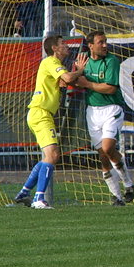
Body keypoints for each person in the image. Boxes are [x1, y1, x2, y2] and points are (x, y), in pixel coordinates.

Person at [12, 35, 88, 209]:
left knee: (49, 156)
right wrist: (80, 70)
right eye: (62, 43)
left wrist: (74, 71)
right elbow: (68, 79)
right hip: (41, 113)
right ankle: (39, 199)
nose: (66, 45)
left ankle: (24, 192)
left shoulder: (56, 66)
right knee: (53, 155)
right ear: (54, 48)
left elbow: (64, 81)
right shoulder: (50, 62)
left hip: (40, 114)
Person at [73, 31, 134, 206]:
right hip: (92, 111)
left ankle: (128, 183)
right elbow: (73, 81)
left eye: (106, 42)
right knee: (102, 156)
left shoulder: (112, 61)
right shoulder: (83, 59)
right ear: (90, 45)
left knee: (108, 148)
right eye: (101, 42)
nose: (105, 45)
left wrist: (87, 83)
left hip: (112, 109)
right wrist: (77, 73)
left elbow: (110, 88)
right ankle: (116, 196)